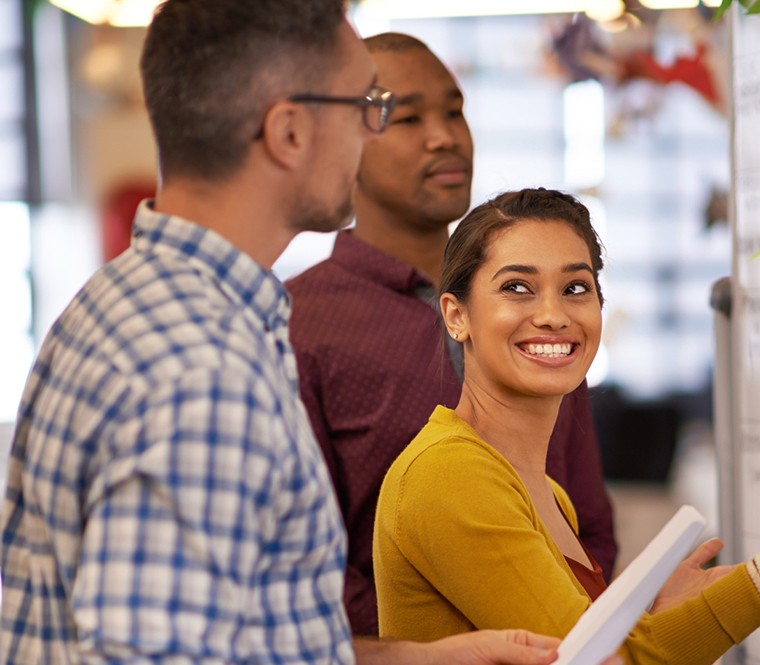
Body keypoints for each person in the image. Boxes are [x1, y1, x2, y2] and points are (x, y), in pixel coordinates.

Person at [0, 3, 593, 663]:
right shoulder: (200, 367)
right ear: (289, 133)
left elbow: (254, 633)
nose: (372, 132)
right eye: (364, 106)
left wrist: (420, 656)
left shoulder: (134, 304)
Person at [373, 188, 760, 663]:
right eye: (517, 288)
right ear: (456, 315)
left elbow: (589, 641)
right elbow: (608, 663)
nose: (554, 315)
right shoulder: (449, 472)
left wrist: (655, 610)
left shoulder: (545, 491)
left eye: (576, 288)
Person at [286, 32, 616, 636]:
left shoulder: (536, 313)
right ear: (340, 142)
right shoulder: (298, 322)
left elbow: (586, 516)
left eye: (455, 111)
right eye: (407, 116)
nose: (444, 136)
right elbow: (305, 564)